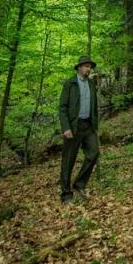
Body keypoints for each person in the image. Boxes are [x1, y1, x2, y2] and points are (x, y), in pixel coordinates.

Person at [59, 55, 99, 203]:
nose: (88, 69)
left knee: (94, 153)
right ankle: (66, 193)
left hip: (88, 126)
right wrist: (66, 128)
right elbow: (62, 107)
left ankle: (79, 184)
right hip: (73, 127)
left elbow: (94, 106)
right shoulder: (70, 83)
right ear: (79, 67)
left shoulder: (91, 84)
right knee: (68, 160)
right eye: (86, 66)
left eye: (90, 67)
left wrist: (96, 124)